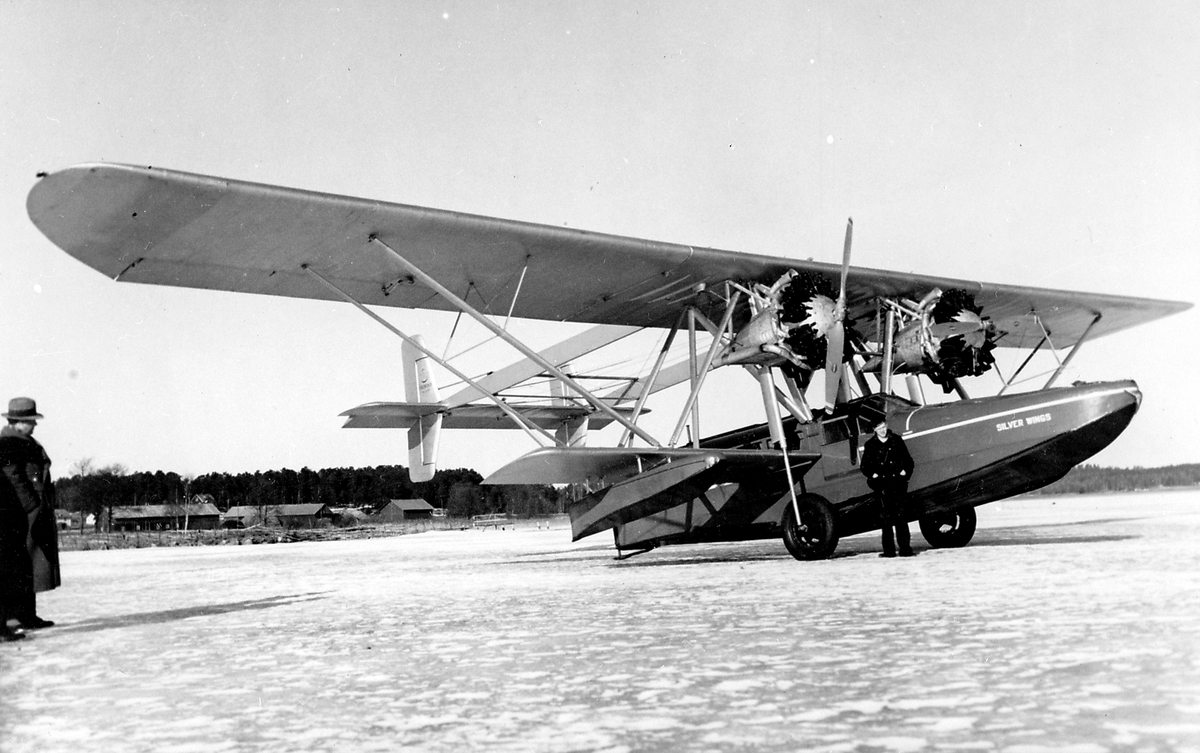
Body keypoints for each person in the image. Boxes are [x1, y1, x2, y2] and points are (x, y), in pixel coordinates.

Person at [0, 397, 60, 633]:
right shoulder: (8, 443)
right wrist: (30, 505)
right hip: (21, 514)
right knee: (18, 564)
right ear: (16, 422)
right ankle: (16, 616)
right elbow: (12, 476)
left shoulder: (27, 442)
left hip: (34, 511)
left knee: (30, 564)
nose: (34, 425)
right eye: (30, 421)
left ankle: (27, 614)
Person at [860, 417, 915, 558]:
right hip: (882, 487)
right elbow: (865, 466)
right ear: (874, 430)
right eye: (879, 428)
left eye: (883, 427)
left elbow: (909, 461)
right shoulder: (870, 445)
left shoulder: (897, 440)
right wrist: (874, 474)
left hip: (897, 484)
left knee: (901, 518)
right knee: (885, 520)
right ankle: (889, 551)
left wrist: (905, 472)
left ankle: (905, 549)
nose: (882, 430)